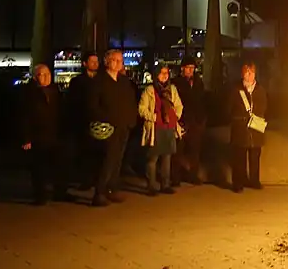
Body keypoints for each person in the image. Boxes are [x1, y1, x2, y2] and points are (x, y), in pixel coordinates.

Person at [88, 49, 138, 206]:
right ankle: (99, 191)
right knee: (107, 160)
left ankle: (112, 188)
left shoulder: (123, 81)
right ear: (107, 61)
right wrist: (105, 119)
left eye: (120, 60)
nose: (118, 63)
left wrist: (131, 120)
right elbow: (93, 105)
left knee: (117, 159)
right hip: (107, 127)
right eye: (115, 60)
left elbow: (131, 101)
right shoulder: (99, 81)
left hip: (124, 126)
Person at [20, 64, 69, 205]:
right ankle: (40, 195)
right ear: (35, 77)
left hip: (55, 133)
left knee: (59, 165)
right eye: (42, 74)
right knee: (39, 167)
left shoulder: (55, 91)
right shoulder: (28, 94)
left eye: (48, 74)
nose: (47, 77)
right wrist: (26, 138)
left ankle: (60, 192)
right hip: (38, 135)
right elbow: (24, 117)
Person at [138, 65, 184, 196]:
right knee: (153, 158)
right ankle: (151, 185)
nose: (164, 75)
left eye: (166, 73)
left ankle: (165, 184)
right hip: (155, 128)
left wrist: (175, 117)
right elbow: (142, 109)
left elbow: (179, 105)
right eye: (161, 73)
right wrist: (154, 117)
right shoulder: (150, 90)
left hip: (169, 128)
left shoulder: (172, 89)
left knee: (167, 156)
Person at [228, 62, 268, 193]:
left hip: (256, 126)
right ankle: (238, 182)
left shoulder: (260, 90)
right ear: (242, 74)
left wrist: (257, 115)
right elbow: (229, 107)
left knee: (255, 155)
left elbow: (264, 106)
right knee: (239, 156)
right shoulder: (236, 89)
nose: (249, 75)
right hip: (240, 126)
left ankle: (254, 180)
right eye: (247, 72)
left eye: (251, 72)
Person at [67, 52, 101, 188]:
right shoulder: (77, 82)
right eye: (92, 61)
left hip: (99, 120)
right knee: (85, 152)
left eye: (97, 61)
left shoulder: (101, 80)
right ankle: (85, 180)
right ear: (85, 63)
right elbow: (73, 102)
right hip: (83, 121)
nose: (95, 64)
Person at [173, 57, 206, 186]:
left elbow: (202, 100)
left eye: (192, 68)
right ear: (183, 68)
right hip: (182, 119)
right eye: (188, 68)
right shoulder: (176, 82)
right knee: (178, 150)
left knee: (195, 150)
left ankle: (193, 175)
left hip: (195, 120)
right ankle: (175, 177)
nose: (191, 70)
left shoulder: (198, 82)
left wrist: (202, 119)